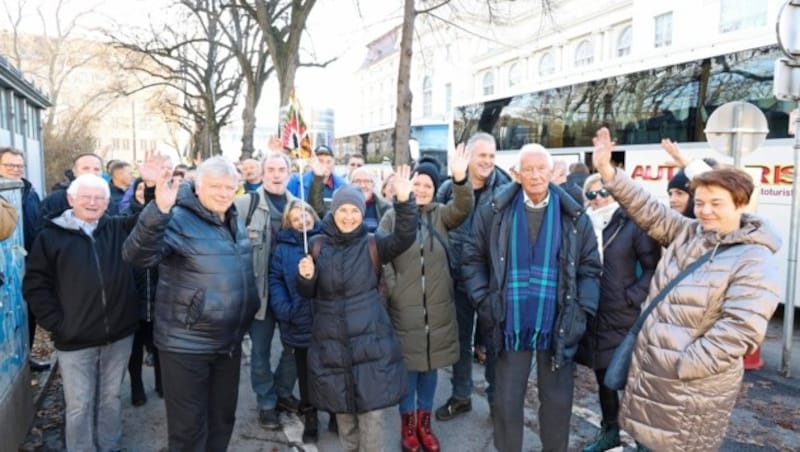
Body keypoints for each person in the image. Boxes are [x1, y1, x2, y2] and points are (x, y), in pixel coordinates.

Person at [592, 127, 781, 452]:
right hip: (654, 379)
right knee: (645, 442)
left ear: (741, 203)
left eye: (716, 203)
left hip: (687, 389)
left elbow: (742, 329)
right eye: (701, 202)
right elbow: (647, 208)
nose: (705, 210)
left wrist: (684, 364)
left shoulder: (753, 256)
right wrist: (608, 171)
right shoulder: (690, 232)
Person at [463, 143, 602, 452]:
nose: (536, 175)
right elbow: (472, 260)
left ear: (552, 172)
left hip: (557, 322)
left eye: (541, 169)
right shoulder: (494, 211)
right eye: (529, 169)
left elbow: (590, 268)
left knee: (556, 404)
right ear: (518, 174)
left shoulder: (574, 216)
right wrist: (485, 301)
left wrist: (580, 312)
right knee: (506, 401)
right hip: (507, 321)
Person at [23, 162, 163, 452]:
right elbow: (36, 286)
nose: (92, 202)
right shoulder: (51, 236)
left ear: (107, 202)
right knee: (79, 404)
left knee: (110, 398)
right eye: (85, 196)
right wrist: (58, 324)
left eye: (99, 197)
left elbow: (147, 221)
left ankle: (109, 446)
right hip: (74, 339)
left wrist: (150, 188)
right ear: (71, 199)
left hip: (119, 335)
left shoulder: (116, 228)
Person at [123, 156, 260, 451]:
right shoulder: (177, 217)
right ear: (198, 186)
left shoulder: (233, 218)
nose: (223, 193)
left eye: (229, 187)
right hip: (187, 344)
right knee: (188, 429)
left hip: (228, 343)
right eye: (215, 186)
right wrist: (158, 209)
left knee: (222, 421)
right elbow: (137, 255)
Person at [297, 168, 417, 452]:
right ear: (333, 212)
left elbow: (405, 236)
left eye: (355, 210)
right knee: (345, 423)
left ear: (363, 213)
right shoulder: (316, 245)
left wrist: (404, 200)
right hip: (332, 350)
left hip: (370, 349)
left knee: (372, 423)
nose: (348, 216)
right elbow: (307, 293)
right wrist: (305, 277)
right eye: (343, 210)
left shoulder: (373, 244)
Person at [377, 146, 473, 452]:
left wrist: (460, 179)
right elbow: (380, 257)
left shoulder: (440, 216)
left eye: (427, 186)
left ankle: (424, 424)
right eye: (417, 184)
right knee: (408, 369)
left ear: (434, 191)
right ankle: (407, 427)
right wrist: (394, 290)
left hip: (438, 309)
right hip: (404, 310)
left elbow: (463, 207)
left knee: (430, 368)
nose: (421, 190)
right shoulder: (391, 217)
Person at [575, 173, 661, 452]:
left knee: (631, 381)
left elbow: (652, 268)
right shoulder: (581, 225)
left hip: (623, 315)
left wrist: (631, 297)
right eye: (591, 194)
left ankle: (641, 441)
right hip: (593, 314)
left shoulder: (632, 224)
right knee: (604, 380)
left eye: (604, 193)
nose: (598, 198)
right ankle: (610, 432)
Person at [434, 132, 511, 421]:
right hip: (456, 277)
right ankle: (461, 396)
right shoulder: (447, 189)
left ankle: (495, 399)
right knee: (460, 341)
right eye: (482, 156)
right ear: (468, 157)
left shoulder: (505, 188)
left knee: (493, 342)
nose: (488, 162)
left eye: (492, 156)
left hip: (492, 282)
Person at [233, 152, 301, 430]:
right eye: (270, 169)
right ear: (262, 173)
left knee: (294, 349)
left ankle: (283, 392)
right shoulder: (245, 205)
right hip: (259, 295)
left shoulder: (300, 207)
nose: (275, 174)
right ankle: (266, 403)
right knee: (259, 353)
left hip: (290, 295)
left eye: (280, 169)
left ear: (289, 173)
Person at [268, 200, 321, 443]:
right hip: (298, 321)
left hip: (325, 321)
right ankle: (310, 416)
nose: (303, 221)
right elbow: (276, 280)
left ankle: (335, 413)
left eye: (306, 215)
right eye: (296, 218)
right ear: (289, 222)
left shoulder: (323, 241)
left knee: (331, 371)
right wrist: (285, 310)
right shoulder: (283, 248)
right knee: (305, 374)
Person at [0, 147, 47, 371]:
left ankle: (25, 356)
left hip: (29, 261)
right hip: (6, 266)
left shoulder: (29, 191)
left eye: (19, 165)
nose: (15, 170)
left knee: (28, 311)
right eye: (9, 165)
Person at [122, 178, 163, 407]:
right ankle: (136, 386)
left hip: (159, 291)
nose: (141, 192)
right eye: (137, 187)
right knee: (135, 347)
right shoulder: (125, 218)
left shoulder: (164, 218)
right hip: (133, 293)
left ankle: (161, 383)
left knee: (158, 343)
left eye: (144, 189)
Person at [39, 153, 103, 228]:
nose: (92, 173)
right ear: (74, 171)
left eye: (96, 169)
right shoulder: (55, 200)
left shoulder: (108, 200)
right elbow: (41, 233)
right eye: (85, 168)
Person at [288, 145, 345, 213]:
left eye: (328, 161)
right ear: (312, 163)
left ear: (333, 164)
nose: (325, 165)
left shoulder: (342, 186)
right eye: (320, 161)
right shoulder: (296, 182)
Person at [350, 166, 391, 232]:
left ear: (373, 184)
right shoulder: (340, 207)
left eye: (367, 181)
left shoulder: (386, 209)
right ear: (350, 184)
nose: (362, 185)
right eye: (357, 181)